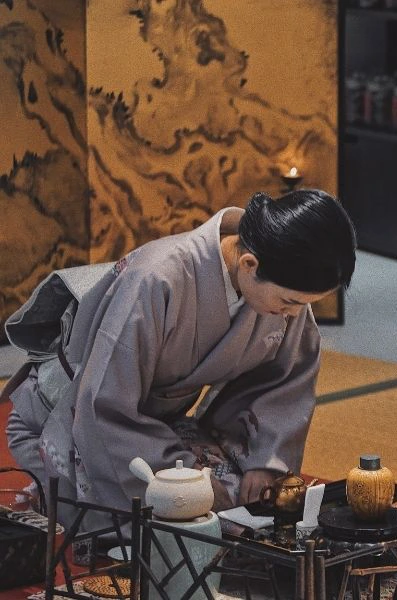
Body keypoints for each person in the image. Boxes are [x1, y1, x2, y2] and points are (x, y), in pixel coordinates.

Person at [4, 189, 357, 523]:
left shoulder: (279, 286)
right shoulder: (157, 279)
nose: (293, 314)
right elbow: (102, 404)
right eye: (290, 302)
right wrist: (187, 476)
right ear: (249, 264)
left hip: (155, 422)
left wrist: (265, 462)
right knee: (169, 517)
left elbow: (285, 382)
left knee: (247, 501)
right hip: (76, 418)